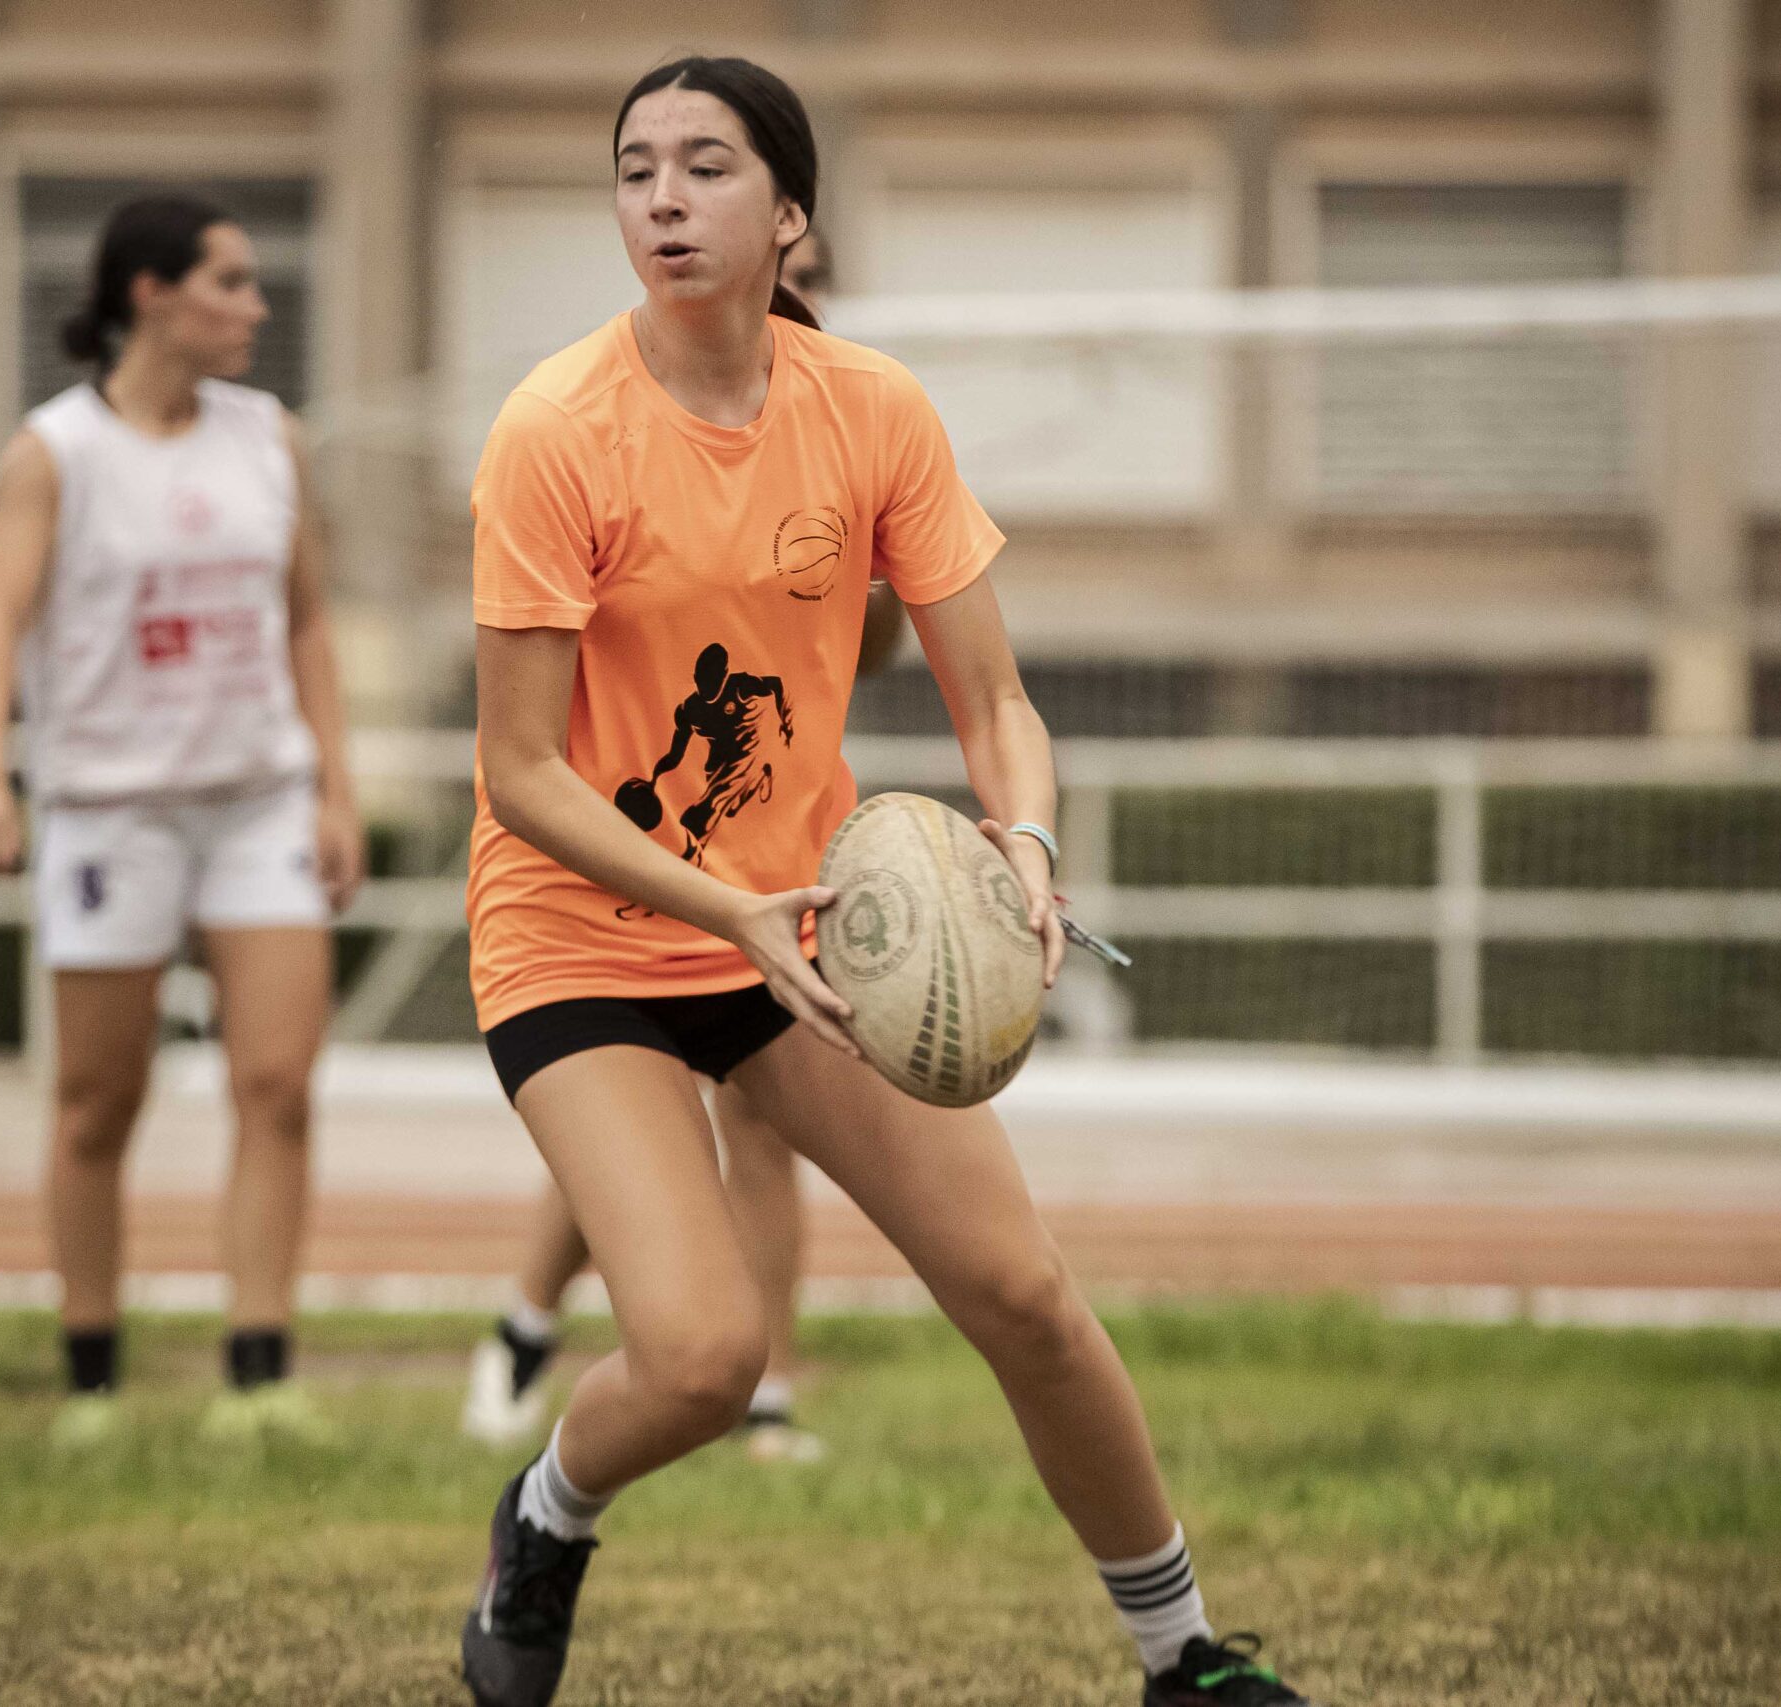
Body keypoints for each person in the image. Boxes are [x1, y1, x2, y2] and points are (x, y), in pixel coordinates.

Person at [453, 55, 1308, 1707]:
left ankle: (1183, 1655)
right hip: (585, 943)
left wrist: (1026, 848)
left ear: (792, 216)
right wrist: (725, 915)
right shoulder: (556, 432)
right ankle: (547, 1517)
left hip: (814, 930)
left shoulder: (873, 410)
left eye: (706, 167)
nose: (663, 198)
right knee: (705, 1359)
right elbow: (522, 771)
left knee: (1022, 1292)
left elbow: (995, 701)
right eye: (636, 169)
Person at [460, 235, 896, 1469]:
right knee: (648, 1142)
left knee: (750, 1132)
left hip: (767, 883)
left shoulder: (848, 427)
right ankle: (527, 1321)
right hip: (612, 884)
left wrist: (866, 591)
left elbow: (870, 660)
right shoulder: (590, 432)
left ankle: (765, 1390)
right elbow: (530, 741)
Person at [0, 193, 364, 1449]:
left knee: (279, 1084)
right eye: (232, 283)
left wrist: (334, 788)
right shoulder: (55, 452)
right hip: (106, 814)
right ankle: (91, 1376)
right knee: (96, 1101)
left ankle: (258, 1373)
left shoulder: (265, 437)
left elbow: (304, 621)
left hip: (257, 804)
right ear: (149, 293)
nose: (256, 306)